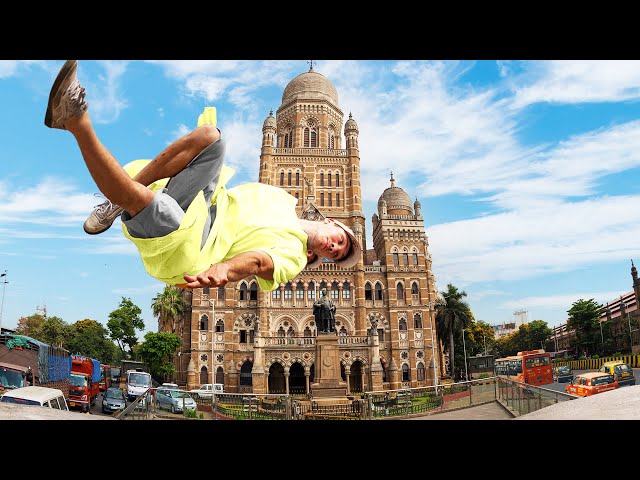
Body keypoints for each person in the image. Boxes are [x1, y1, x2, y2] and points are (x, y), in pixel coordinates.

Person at [44, 60, 362, 290]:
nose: (336, 248)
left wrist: (226, 269)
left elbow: (259, 262)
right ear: (333, 224)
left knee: (153, 205)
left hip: (195, 246)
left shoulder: (293, 257)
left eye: (337, 255)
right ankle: (114, 205)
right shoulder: (281, 199)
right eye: (342, 241)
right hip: (207, 203)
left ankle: (74, 120)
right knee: (211, 137)